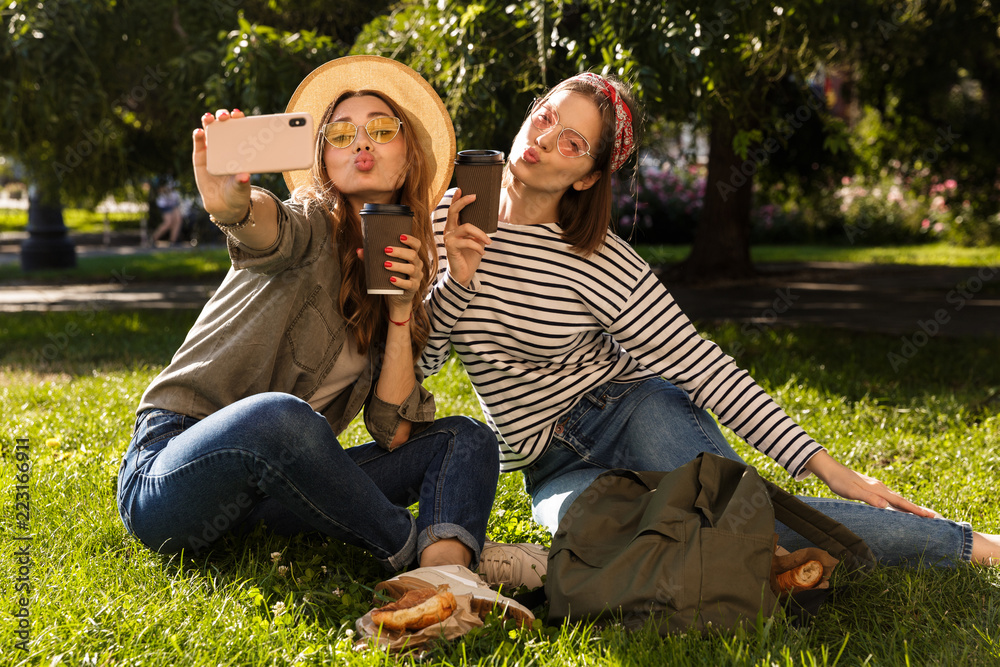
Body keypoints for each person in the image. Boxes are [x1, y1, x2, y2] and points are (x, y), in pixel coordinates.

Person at [422, 71, 1000, 584]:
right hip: (550, 464)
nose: (545, 140)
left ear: (587, 177)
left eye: (571, 142)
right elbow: (420, 360)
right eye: (544, 117)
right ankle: (757, 563)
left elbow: (704, 367)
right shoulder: (444, 221)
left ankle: (973, 546)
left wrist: (828, 467)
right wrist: (459, 280)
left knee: (744, 512)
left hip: (628, 410)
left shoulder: (599, 260)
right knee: (598, 537)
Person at [116, 56, 512, 586]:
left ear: (408, 156)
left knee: (465, 438)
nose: (361, 142)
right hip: (172, 478)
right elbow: (267, 227)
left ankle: (443, 582)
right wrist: (233, 205)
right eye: (342, 133)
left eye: (381, 129)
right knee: (282, 416)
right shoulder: (311, 223)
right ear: (324, 157)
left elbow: (394, 434)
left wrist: (400, 313)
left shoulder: (403, 268)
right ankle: (413, 549)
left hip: (276, 495)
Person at [150, 177, 185, 246]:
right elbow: (159, 190)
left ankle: (173, 240)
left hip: (173, 202)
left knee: (178, 220)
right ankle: (153, 238)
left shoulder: (172, 177)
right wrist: (165, 190)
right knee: (168, 223)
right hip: (164, 204)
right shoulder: (162, 178)